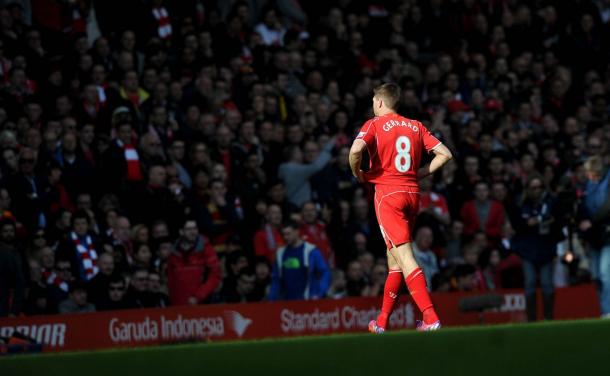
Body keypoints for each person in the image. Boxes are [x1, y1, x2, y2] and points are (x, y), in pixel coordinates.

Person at [348, 83, 452, 333]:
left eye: (374, 100)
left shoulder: (373, 124)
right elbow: (445, 154)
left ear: (381, 102)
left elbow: (355, 151)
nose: (373, 104)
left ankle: (430, 317)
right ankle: (382, 322)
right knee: (394, 259)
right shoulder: (416, 126)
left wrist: (358, 174)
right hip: (412, 194)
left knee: (405, 257)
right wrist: (421, 173)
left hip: (388, 195)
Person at [512, 176, 558, 321]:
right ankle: (531, 320)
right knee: (530, 283)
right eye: (534, 187)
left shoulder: (550, 203)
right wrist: (528, 224)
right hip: (527, 251)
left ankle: (548, 319)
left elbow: (559, 221)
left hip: (546, 250)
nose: (537, 191)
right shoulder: (520, 204)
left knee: (547, 284)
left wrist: (551, 221)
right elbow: (516, 226)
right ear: (528, 189)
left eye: (540, 187)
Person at [269, 221, 331, 300]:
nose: (285, 237)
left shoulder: (311, 251)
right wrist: (271, 300)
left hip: (307, 301)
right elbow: (276, 280)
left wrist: (319, 293)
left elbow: (325, 272)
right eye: (283, 234)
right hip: (286, 302)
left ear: (297, 232)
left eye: (288, 234)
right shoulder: (280, 253)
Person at [580, 156, 610, 317]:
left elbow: (608, 206)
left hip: (607, 234)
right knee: (596, 276)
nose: (589, 176)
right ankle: (603, 310)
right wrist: (582, 220)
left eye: (590, 173)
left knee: (606, 273)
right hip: (593, 237)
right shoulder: (588, 185)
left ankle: (607, 312)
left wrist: (591, 221)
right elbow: (583, 204)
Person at [166, 220, 221, 305]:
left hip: (202, 303)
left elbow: (215, 276)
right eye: (188, 229)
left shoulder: (206, 249)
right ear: (181, 231)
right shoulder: (174, 253)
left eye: (195, 228)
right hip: (178, 306)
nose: (193, 232)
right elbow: (171, 281)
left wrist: (199, 296)